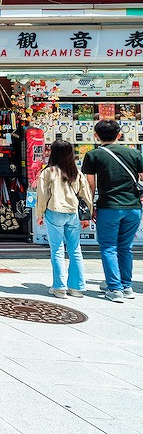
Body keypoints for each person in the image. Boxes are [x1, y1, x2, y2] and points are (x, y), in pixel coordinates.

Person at [82, 119, 143, 302]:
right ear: (119, 135)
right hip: (133, 208)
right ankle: (127, 286)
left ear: (95, 135)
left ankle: (114, 289)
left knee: (108, 247)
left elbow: (90, 186)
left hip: (108, 206)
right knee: (126, 248)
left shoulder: (93, 155)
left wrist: (89, 207)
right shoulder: (135, 153)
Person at [35, 139, 92, 299]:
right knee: (75, 250)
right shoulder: (76, 172)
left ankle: (60, 287)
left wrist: (40, 214)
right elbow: (85, 195)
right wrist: (87, 215)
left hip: (54, 212)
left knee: (57, 250)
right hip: (73, 213)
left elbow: (42, 195)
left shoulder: (48, 172)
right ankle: (77, 287)